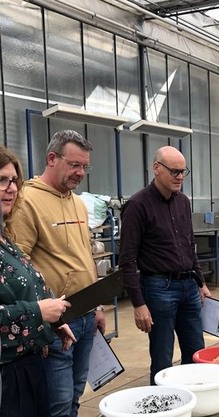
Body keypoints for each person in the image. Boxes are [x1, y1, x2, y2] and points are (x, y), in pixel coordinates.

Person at [9, 131, 97, 417]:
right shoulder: (27, 201)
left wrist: (97, 308)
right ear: (51, 158)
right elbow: (18, 265)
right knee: (57, 402)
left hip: (86, 313)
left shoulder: (78, 203)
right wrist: (42, 317)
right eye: (74, 165)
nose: (80, 172)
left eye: (84, 166)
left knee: (75, 392)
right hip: (57, 319)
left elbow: (85, 254)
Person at [119, 146, 212, 385]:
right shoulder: (137, 205)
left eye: (183, 172)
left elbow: (189, 244)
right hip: (159, 288)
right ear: (156, 168)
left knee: (196, 350)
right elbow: (127, 259)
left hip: (188, 286)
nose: (179, 177)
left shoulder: (183, 202)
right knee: (162, 355)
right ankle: (162, 399)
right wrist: (139, 304)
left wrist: (200, 282)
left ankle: (194, 396)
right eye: (174, 171)